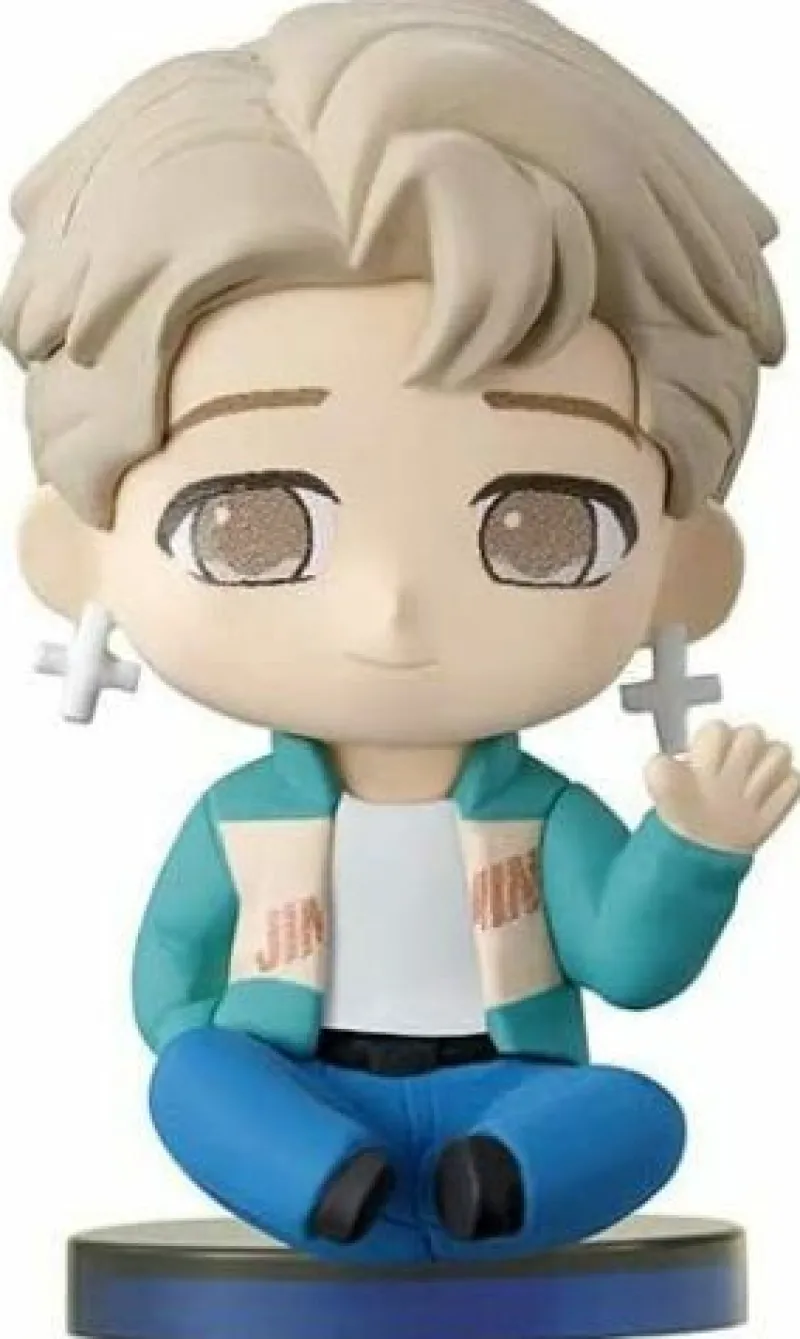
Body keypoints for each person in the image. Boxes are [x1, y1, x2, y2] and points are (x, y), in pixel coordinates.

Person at [4, 0, 796, 1266]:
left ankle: (498, 1185)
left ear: (684, 572)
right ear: (75, 555)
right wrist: (225, 1068)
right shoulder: (236, 820)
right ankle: (326, 1180)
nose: (389, 603)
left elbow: (627, 965)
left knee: (637, 1114)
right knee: (190, 1078)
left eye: (541, 527)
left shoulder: (544, 816)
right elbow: (168, 984)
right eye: (252, 524)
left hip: (505, 1090)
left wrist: (693, 849)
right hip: (302, 1095)